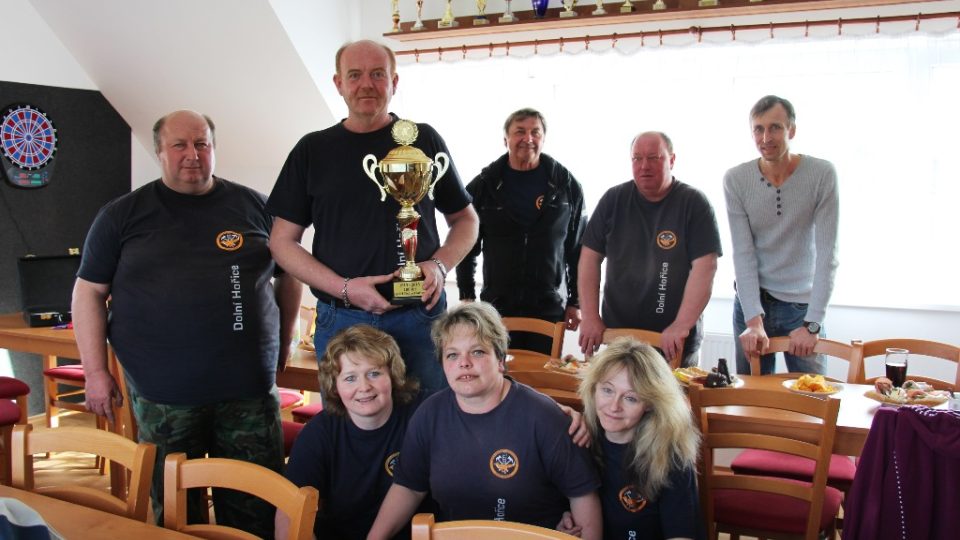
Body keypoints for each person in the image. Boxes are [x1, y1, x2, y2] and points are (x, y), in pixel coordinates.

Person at [73, 110, 299, 537]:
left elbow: (290, 276)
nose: (192, 154)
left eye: (201, 144)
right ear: (159, 151)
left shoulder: (256, 207)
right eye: (179, 145)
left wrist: (285, 337)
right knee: (178, 517)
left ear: (214, 148)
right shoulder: (122, 215)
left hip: (248, 393)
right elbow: (88, 293)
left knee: (255, 511)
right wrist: (95, 372)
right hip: (164, 398)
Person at [266, 39, 478, 396]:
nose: (366, 84)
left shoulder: (424, 140)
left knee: (426, 422)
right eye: (355, 75)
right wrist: (345, 288)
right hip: (342, 318)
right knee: (347, 425)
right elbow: (281, 242)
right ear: (339, 84)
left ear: (394, 82)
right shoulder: (311, 150)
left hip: (420, 315)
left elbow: (467, 220)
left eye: (378, 74)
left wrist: (439, 266)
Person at [366, 302, 602, 539]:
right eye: (452, 355)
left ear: (501, 360)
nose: (464, 362)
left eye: (477, 351)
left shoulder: (545, 417)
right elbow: (408, 488)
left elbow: (582, 496)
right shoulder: (429, 414)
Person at [578, 132, 721, 367]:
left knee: (673, 393)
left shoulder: (694, 203)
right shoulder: (613, 199)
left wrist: (681, 325)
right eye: (637, 158)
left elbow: (706, 267)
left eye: (654, 158)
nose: (644, 166)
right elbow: (589, 258)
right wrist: (590, 316)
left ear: (671, 160)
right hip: (619, 339)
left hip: (673, 342)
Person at [724, 95, 839, 375]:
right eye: (758, 129)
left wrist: (813, 324)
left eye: (775, 127)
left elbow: (828, 255)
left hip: (802, 308)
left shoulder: (821, 174)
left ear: (792, 130)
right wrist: (753, 320)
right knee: (751, 395)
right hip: (752, 304)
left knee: (812, 394)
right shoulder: (736, 179)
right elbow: (743, 253)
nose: (766, 138)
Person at [456, 108, 586, 355]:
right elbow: (466, 244)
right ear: (505, 139)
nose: (528, 138)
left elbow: (577, 249)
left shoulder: (567, 186)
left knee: (543, 373)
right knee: (498, 372)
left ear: (543, 138)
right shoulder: (484, 185)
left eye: (535, 132)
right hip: (497, 308)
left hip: (549, 308)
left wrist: (575, 302)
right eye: (520, 132)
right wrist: (467, 296)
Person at [279, 324, 424, 539]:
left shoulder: (422, 418)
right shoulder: (318, 433)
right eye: (350, 378)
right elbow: (288, 514)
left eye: (374, 373)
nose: (364, 387)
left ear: (392, 376)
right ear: (334, 386)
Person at [565, 337, 703, 540]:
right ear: (593, 389)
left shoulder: (670, 458)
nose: (614, 407)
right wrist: (564, 517)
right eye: (607, 390)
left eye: (630, 398)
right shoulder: (579, 438)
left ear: (650, 403)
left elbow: (681, 536)